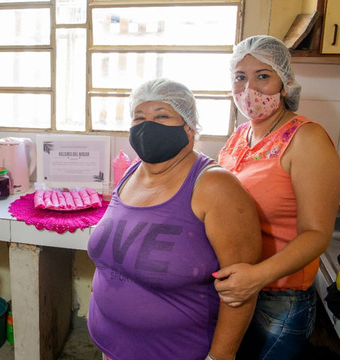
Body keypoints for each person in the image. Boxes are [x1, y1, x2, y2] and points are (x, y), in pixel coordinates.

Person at [87, 78, 262, 360]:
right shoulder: (132, 172)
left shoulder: (215, 186)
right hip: (109, 346)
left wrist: (219, 358)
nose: (147, 126)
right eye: (139, 117)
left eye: (161, 116)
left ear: (189, 128)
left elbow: (241, 292)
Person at [215, 35, 340, 359]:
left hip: (278, 299)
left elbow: (317, 234)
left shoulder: (306, 139)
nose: (250, 89)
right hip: (239, 290)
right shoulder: (241, 135)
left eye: (263, 76)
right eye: (241, 77)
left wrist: (257, 276)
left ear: (284, 84)